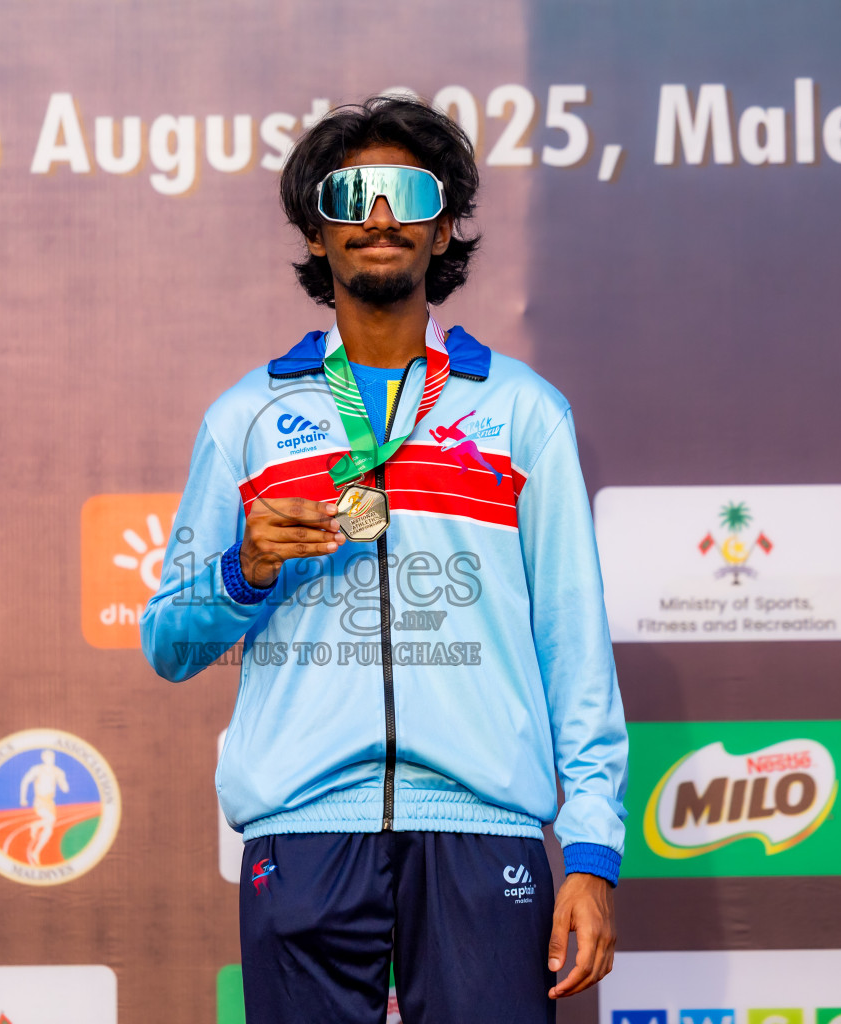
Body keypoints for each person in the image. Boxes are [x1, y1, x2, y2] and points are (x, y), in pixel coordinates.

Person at [141, 96, 627, 1023]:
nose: (377, 215)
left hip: (484, 830)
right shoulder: (247, 417)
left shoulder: (523, 411)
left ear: (443, 227)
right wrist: (244, 568)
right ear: (315, 232)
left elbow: (576, 648)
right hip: (304, 827)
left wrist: (594, 853)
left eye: (406, 192)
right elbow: (169, 642)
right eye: (349, 194)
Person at [19, 750, 68, 867]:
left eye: (51, 757)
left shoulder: (58, 772)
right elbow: (25, 781)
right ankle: (34, 825)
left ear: (54, 758)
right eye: (47, 757)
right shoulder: (37, 769)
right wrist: (23, 798)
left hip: (50, 802)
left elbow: (64, 786)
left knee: (49, 830)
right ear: (43, 758)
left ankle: (36, 852)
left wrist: (64, 785)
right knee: (50, 819)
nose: (49, 759)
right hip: (40, 800)